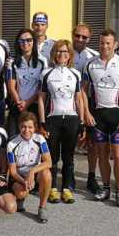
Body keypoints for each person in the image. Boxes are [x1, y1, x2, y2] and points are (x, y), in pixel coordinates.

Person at [81, 29, 119, 207]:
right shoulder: (90, 64)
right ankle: (105, 188)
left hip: (117, 115)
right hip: (98, 117)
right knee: (102, 155)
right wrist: (86, 113)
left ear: (115, 45)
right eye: (102, 43)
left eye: (108, 43)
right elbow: (83, 90)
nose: (104, 46)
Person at [38, 39, 85, 204]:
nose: (61, 54)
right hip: (53, 119)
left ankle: (67, 188)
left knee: (68, 157)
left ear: (70, 54)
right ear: (53, 54)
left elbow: (79, 100)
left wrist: (82, 122)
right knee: (52, 157)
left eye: (65, 51)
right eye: (58, 51)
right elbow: (41, 99)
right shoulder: (46, 73)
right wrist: (42, 122)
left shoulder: (75, 73)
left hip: (71, 119)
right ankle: (52, 188)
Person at [6, 112, 53, 222]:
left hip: (35, 173)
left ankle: (42, 208)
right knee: (21, 193)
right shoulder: (12, 144)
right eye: (23, 127)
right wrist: (25, 182)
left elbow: (49, 162)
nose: (27, 130)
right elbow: (13, 171)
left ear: (35, 127)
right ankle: (20, 199)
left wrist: (32, 171)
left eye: (30, 127)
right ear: (19, 126)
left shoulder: (40, 139)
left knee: (47, 174)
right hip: (20, 176)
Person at [72, 23, 101, 195]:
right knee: (67, 140)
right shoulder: (63, 52)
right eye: (77, 35)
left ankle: (91, 176)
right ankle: (67, 175)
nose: (80, 39)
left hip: (88, 101)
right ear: (72, 35)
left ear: (89, 39)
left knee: (92, 142)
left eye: (84, 37)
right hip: (66, 102)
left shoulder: (94, 56)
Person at [6, 28, 47, 130]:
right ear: (18, 43)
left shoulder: (42, 61)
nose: (25, 43)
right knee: (13, 137)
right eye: (22, 41)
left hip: (35, 105)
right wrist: (20, 104)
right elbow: (11, 87)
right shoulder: (12, 61)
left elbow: (41, 87)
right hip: (17, 105)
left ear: (34, 41)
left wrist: (27, 102)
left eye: (29, 40)